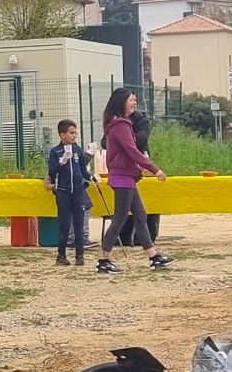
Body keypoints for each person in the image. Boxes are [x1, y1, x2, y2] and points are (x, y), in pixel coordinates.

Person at [98, 86, 169, 274]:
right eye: (131, 100)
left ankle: (153, 257)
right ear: (121, 102)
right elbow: (132, 150)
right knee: (119, 218)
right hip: (122, 177)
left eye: (135, 100)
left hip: (127, 176)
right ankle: (103, 260)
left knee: (140, 215)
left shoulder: (121, 123)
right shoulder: (120, 125)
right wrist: (154, 169)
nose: (134, 103)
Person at [46, 118, 95, 266]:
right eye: (71, 133)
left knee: (79, 223)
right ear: (62, 135)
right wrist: (61, 162)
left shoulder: (77, 150)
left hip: (78, 191)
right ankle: (61, 255)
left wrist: (92, 177)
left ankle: (80, 256)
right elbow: (52, 172)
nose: (74, 135)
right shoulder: (55, 151)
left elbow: (82, 170)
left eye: (75, 133)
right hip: (63, 192)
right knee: (65, 225)